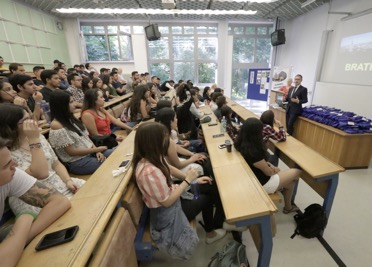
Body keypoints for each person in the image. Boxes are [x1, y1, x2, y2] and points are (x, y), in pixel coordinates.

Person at [133, 122, 226, 259]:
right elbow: (167, 202)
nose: (167, 140)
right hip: (167, 215)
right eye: (164, 137)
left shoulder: (151, 157)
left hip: (174, 198)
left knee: (209, 186)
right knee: (207, 198)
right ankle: (211, 233)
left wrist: (194, 180)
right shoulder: (148, 172)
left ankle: (217, 224)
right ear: (154, 142)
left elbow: (169, 168)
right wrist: (188, 180)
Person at [0, 104, 85, 216]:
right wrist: (33, 139)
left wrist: (68, 180)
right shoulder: (6, 152)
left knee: (91, 189)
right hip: (31, 196)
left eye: (31, 118)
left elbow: (56, 164)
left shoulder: (38, 136)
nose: (33, 123)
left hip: (58, 182)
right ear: (10, 127)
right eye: (27, 121)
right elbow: (41, 173)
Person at [0, 138, 71, 266]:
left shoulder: (11, 174)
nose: (15, 164)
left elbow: (60, 202)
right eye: (6, 165)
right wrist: (24, 219)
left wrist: (20, 238)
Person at [234, 118, 301, 214]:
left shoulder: (241, 143)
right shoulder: (254, 151)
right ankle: (286, 200)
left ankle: (288, 207)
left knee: (290, 183)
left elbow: (260, 163)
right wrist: (273, 169)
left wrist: (269, 165)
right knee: (297, 172)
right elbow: (268, 173)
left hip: (254, 178)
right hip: (262, 184)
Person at [49, 91, 114, 175]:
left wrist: (97, 151)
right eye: (71, 102)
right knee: (109, 163)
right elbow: (71, 152)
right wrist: (96, 149)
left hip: (90, 153)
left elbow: (86, 138)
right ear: (61, 105)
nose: (75, 105)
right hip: (78, 161)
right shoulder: (56, 125)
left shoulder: (71, 118)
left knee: (115, 153)